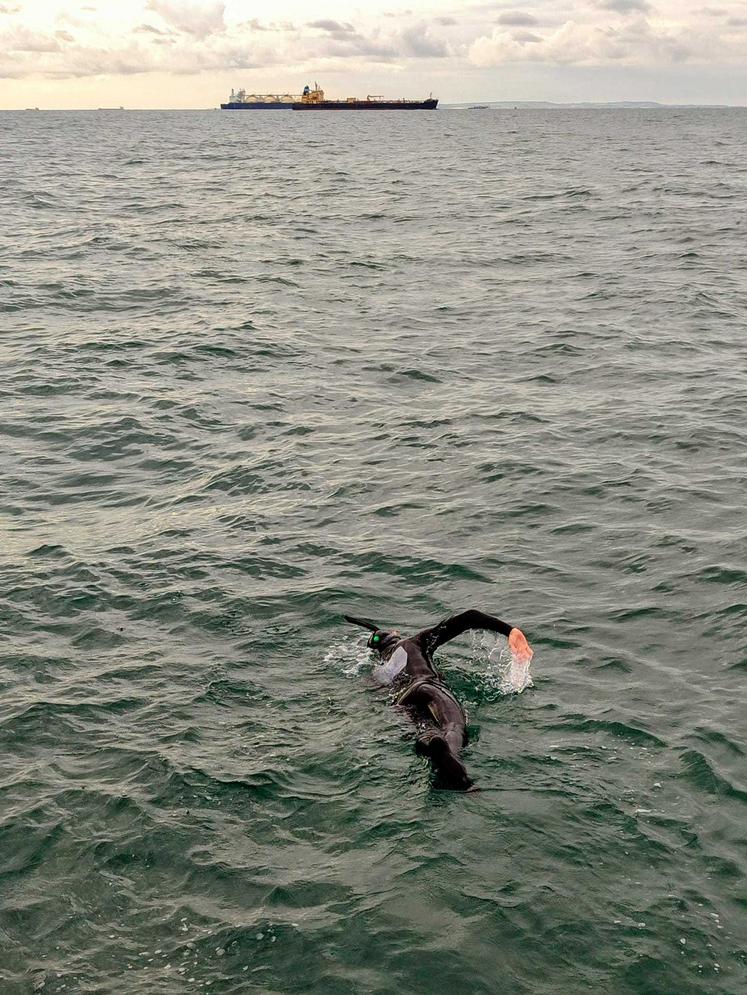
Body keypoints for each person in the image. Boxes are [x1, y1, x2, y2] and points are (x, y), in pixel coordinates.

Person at [344, 610, 533, 792]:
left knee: (424, 729)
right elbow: (469, 618)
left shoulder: (380, 671)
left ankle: (431, 744)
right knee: (453, 725)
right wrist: (510, 631)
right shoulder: (414, 642)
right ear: (395, 634)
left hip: (403, 700)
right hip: (427, 686)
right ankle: (452, 757)